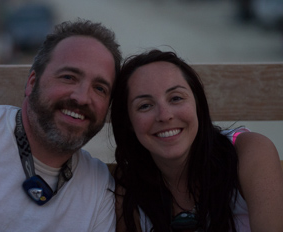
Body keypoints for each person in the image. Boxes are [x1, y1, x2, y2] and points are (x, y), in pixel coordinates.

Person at [0, 19, 122, 231]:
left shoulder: (100, 188)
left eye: (100, 88)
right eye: (69, 77)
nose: (83, 98)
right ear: (31, 83)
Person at [111, 49, 283, 231]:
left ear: (197, 104)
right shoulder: (128, 187)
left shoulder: (249, 152)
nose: (165, 115)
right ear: (128, 121)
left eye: (176, 98)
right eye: (145, 105)